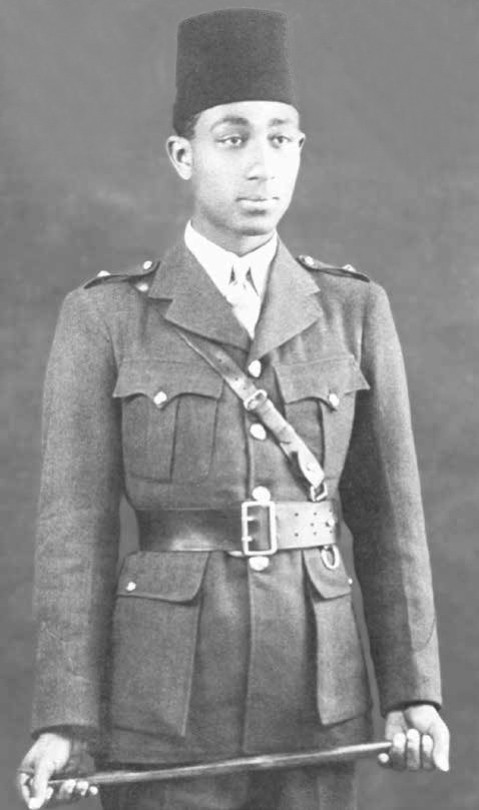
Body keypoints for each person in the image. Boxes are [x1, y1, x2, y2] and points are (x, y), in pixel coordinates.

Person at [18, 9, 449, 810]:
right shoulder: (106, 317)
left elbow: (391, 520)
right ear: (183, 156)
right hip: (167, 709)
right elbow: (74, 535)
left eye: (281, 139)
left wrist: (412, 690)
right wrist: (68, 719)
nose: (261, 164)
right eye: (233, 138)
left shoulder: (351, 309)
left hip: (316, 703)